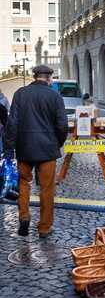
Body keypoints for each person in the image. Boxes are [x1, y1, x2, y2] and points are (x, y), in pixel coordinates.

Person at [3, 64, 68, 238]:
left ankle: (24, 215)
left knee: (23, 183)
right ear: (49, 79)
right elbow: (62, 126)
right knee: (46, 189)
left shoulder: (20, 94)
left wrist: (9, 149)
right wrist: (57, 143)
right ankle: (44, 227)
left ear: (34, 77)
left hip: (24, 148)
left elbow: (12, 124)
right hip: (47, 149)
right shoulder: (55, 96)